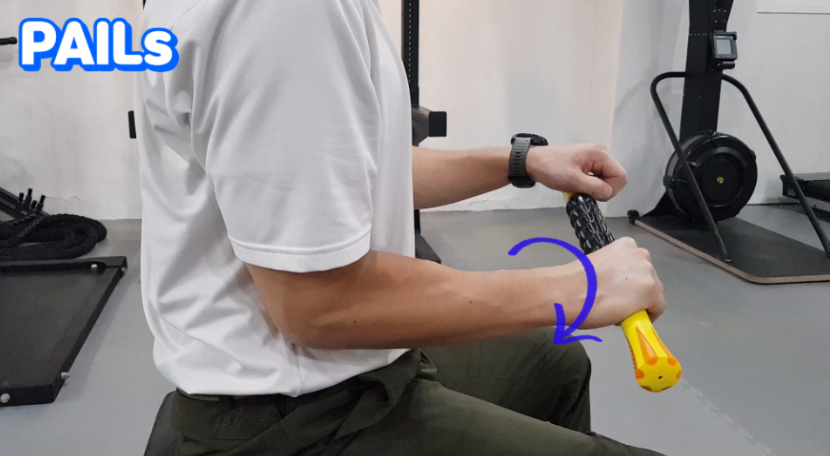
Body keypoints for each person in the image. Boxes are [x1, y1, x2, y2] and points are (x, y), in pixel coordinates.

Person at [135, 1, 667, 455]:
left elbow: (347, 171)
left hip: (332, 371)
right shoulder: (285, 13)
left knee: (554, 364)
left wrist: (520, 161)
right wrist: (585, 287)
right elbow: (318, 305)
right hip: (287, 418)